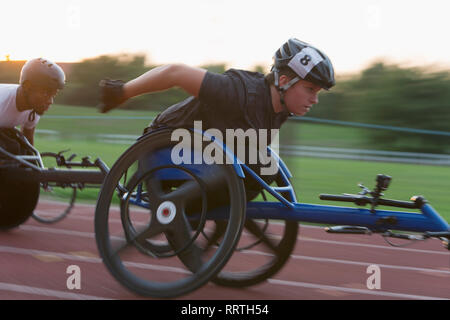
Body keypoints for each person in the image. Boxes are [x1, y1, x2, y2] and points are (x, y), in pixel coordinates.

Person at [98, 38, 335, 199]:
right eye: (311, 89)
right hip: (165, 144)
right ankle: (180, 210)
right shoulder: (237, 91)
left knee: (264, 166)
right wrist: (122, 92)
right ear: (284, 82)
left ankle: (207, 219)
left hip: (204, 157)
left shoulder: (279, 110)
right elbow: (175, 73)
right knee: (251, 163)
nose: (314, 99)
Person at [0, 58, 65, 146]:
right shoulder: (2, 101)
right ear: (27, 86)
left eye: (53, 94)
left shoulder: (33, 110)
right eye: (46, 93)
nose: (50, 101)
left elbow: (28, 141)